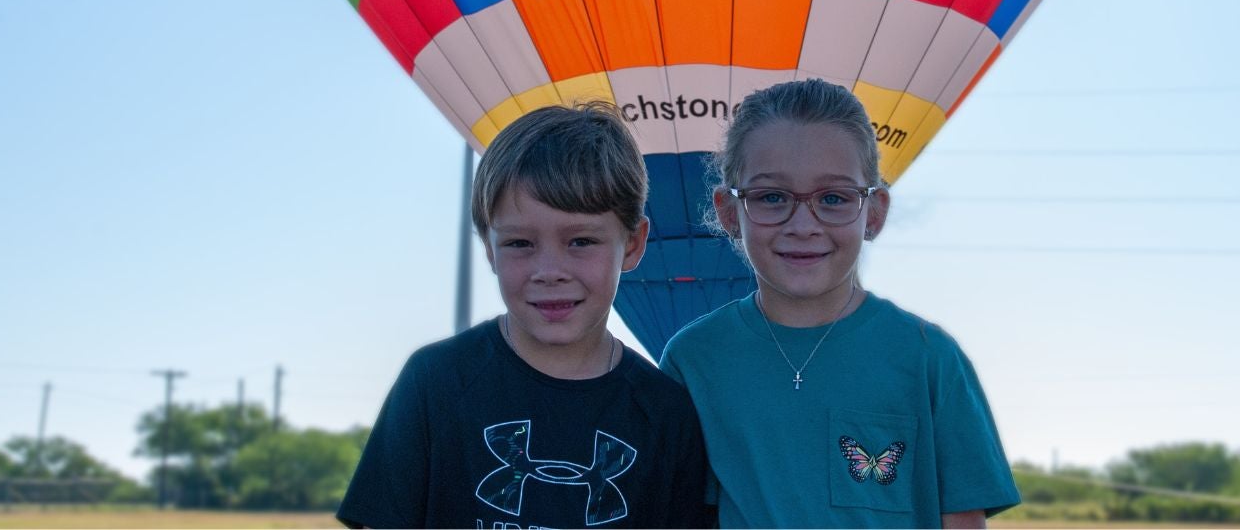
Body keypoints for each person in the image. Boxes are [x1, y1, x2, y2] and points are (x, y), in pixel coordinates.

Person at [659, 79, 1020, 528]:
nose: (803, 224)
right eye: (772, 197)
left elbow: (963, 520)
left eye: (833, 199)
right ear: (730, 211)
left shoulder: (929, 359)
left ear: (875, 212)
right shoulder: (694, 361)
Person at [339, 103, 711, 529]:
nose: (549, 272)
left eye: (581, 241)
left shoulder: (666, 414)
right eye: (520, 243)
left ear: (632, 244)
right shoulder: (435, 381)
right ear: (488, 246)